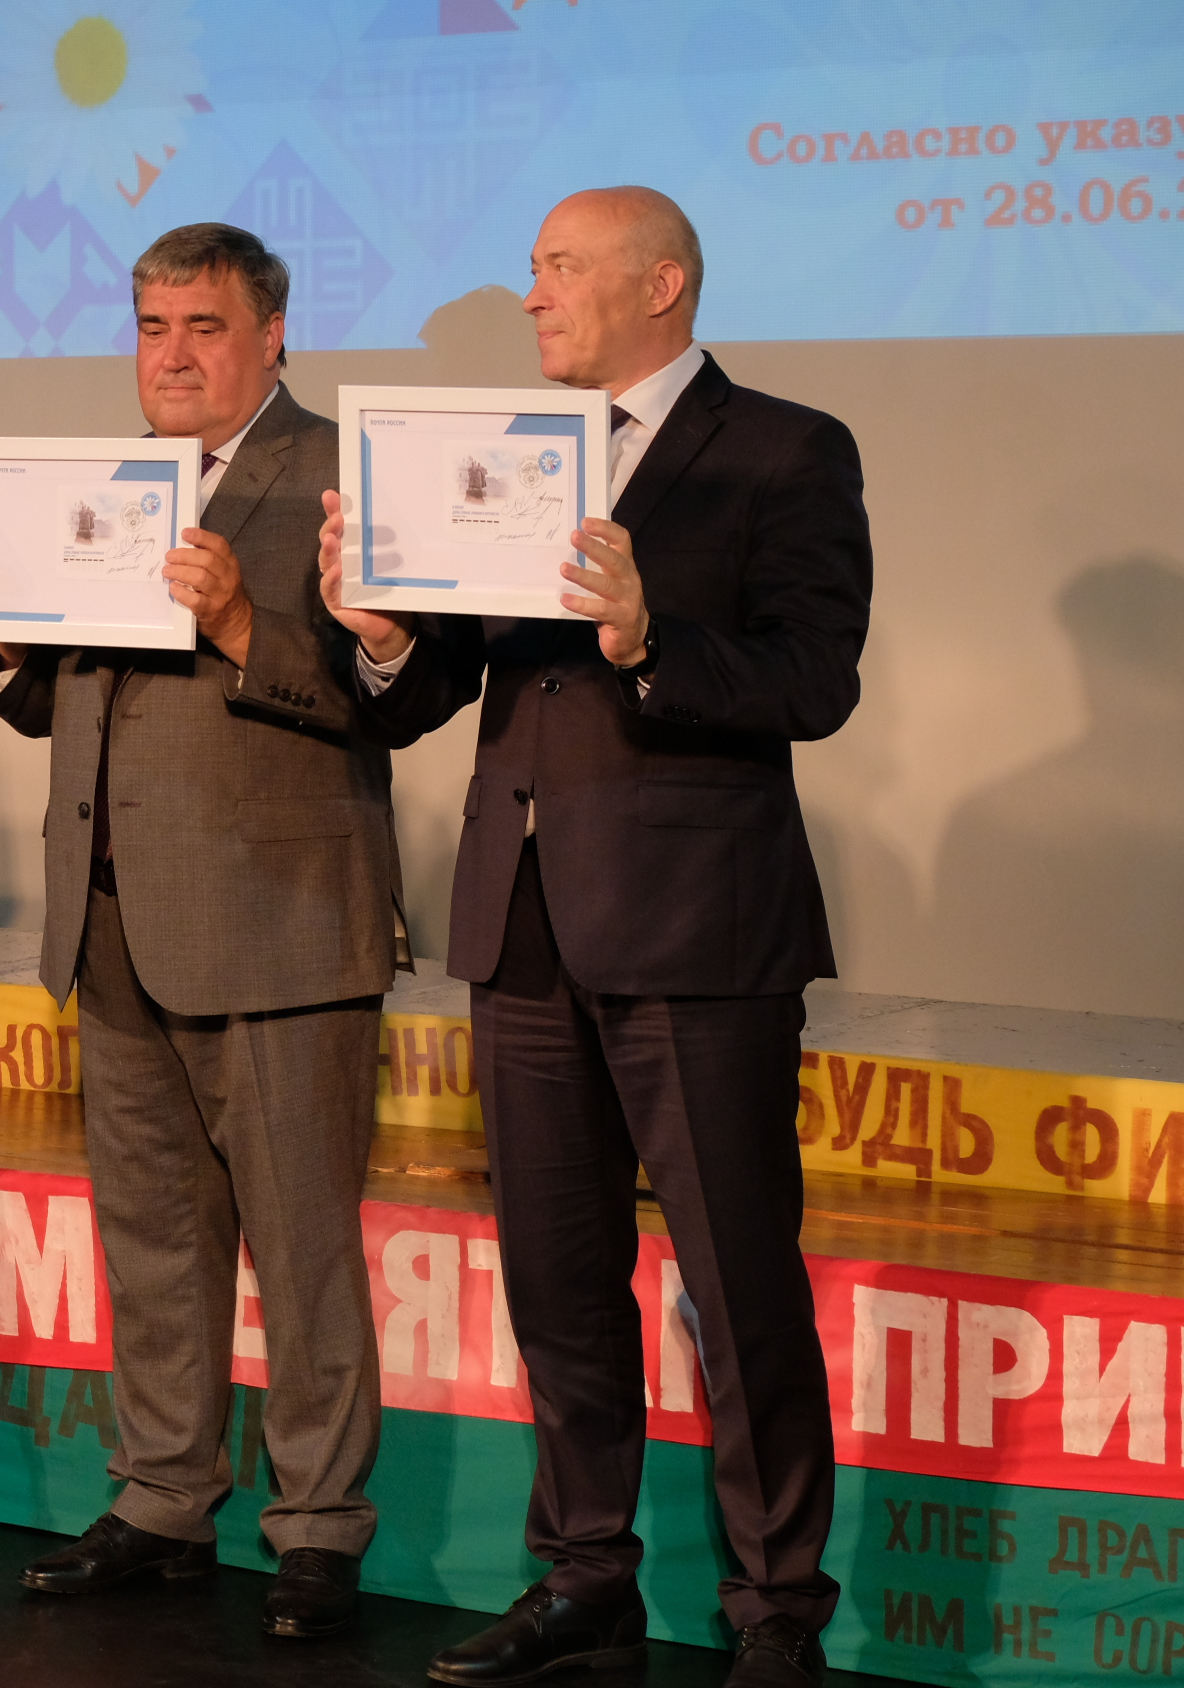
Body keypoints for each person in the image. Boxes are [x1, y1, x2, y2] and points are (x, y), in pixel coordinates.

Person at [322, 187, 870, 1688]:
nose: (533, 293)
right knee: (556, 1278)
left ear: (661, 283)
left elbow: (815, 676)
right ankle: (584, 1575)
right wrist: (381, 633)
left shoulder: (782, 448)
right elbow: (438, 689)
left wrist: (648, 643)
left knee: (736, 1281)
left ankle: (776, 1608)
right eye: (532, 268)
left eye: (560, 267)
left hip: (697, 927)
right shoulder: (516, 451)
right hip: (519, 917)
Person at [0, 224, 399, 1634]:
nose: (174, 355)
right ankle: (160, 1498)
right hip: (111, 922)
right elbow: (59, 703)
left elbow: (392, 694)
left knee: (302, 1249)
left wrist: (247, 622)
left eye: (204, 326)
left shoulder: (341, 476)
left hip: (277, 925)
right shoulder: (101, 485)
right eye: (152, 327)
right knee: (150, 1241)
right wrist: (6, 638)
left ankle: (317, 1528)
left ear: (272, 334)